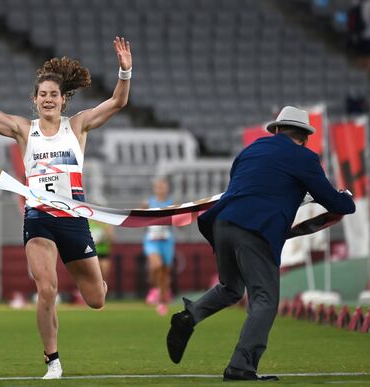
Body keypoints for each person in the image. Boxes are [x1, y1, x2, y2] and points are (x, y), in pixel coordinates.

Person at [0, 32, 132, 379]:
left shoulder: (78, 126)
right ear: (35, 99)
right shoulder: (24, 131)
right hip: (39, 218)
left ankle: (93, 285)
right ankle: (53, 360)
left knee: (97, 299)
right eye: (42, 94)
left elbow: (117, 103)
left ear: (63, 99)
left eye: (53, 95)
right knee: (47, 288)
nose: (47, 99)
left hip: (73, 218)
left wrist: (124, 71)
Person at [165, 106, 355, 381]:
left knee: (231, 288)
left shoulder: (251, 150)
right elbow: (333, 201)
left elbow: (241, 184)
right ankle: (241, 365)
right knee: (264, 300)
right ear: (304, 137)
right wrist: (346, 199)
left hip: (222, 222)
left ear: (277, 129)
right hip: (254, 229)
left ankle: (189, 316)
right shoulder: (304, 157)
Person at [142, 178, 175, 316]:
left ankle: (162, 303)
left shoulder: (172, 204)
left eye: (163, 186)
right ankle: (154, 290)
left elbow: (177, 221)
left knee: (165, 272)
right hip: (152, 240)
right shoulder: (147, 203)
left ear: (167, 188)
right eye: (158, 186)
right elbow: (141, 220)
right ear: (155, 188)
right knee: (156, 265)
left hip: (167, 241)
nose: (161, 189)